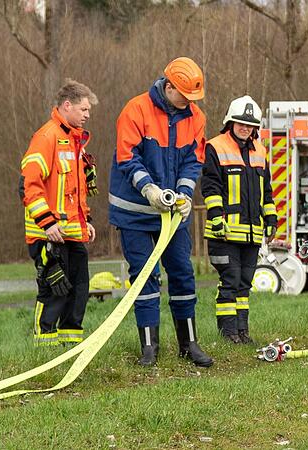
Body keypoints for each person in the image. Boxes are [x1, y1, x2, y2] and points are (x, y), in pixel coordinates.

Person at [109, 57, 213, 367]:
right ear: (168, 87)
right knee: (145, 277)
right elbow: (127, 158)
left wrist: (183, 193)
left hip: (171, 215)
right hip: (135, 213)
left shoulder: (195, 117)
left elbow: (193, 161)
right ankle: (149, 348)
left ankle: (189, 343)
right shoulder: (135, 110)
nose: (190, 103)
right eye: (185, 96)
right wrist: (150, 190)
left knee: (182, 273)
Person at [20, 79, 98, 347]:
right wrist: (47, 223)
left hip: (74, 234)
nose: (88, 115)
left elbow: (76, 190)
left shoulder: (75, 141)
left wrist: (86, 220)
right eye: (84, 109)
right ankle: (45, 351)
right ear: (67, 106)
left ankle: (71, 349)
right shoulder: (47, 137)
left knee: (78, 293)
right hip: (50, 235)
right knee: (54, 291)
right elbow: (30, 186)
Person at [201, 95, 277, 344]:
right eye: (240, 123)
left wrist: (272, 218)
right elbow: (210, 187)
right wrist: (216, 217)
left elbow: (266, 190)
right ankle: (227, 333)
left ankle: (242, 331)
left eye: (250, 125)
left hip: (252, 232)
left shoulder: (260, 151)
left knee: (245, 285)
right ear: (230, 122)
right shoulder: (215, 146)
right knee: (230, 280)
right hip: (224, 233)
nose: (245, 128)